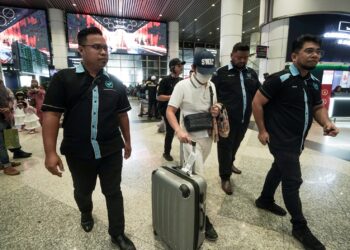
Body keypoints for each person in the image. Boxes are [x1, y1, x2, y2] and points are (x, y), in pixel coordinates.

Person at [41, 27, 136, 250]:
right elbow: (52, 114)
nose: (103, 52)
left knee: (113, 191)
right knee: (83, 191)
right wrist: (50, 152)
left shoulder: (116, 83)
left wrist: (128, 142)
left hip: (110, 149)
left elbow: (122, 115)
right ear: (81, 50)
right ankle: (86, 212)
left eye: (105, 48)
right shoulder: (64, 79)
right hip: (78, 151)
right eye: (97, 47)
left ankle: (118, 234)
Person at [252, 34, 339, 250]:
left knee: (278, 169)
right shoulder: (279, 79)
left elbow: (318, 107)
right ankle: (299, 226)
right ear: (294, 55)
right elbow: (257, 102)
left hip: (297, 140)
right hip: (280, 140)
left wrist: (327, 123)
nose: (315, 55)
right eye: (309, 50)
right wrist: (262, 130)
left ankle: (264, 199)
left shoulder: (313, 81)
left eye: (318, 51)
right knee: (293, 180)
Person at [166, 50, 220, 242]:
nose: (207, 75)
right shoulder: (182, 86)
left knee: (194, 174)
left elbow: (213, 107)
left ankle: (188, 202)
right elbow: (170, 111)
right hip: (189, 140)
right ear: (194, 68)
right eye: (203, 70)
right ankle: (202, 217)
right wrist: (178, 132)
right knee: (200, 178)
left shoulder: (212, 85)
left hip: (207, 137)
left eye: (210, 70)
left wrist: (216, 109)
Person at [211, 43, 261, 195]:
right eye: (239, 57)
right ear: (232, 55)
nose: (242, 60)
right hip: (225, 119)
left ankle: (230, 162)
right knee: (225, 147)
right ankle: (225, 177)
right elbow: (212, 94)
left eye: (245, 58)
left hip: (244, 118)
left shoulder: (251, 73)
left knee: (237, 142)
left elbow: (259, 93)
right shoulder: (221, 73)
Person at [157, 58, 185, 161]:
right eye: (178, 66)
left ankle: (186, 153)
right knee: (170, 132)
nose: (181, 67)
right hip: (167, 110)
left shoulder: (182, 81)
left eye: (181, 65)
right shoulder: (165, 80)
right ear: (172, 68)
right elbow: (159, 97)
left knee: (183, 130)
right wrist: (173, 97)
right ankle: (166, 152)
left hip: (180, 110)